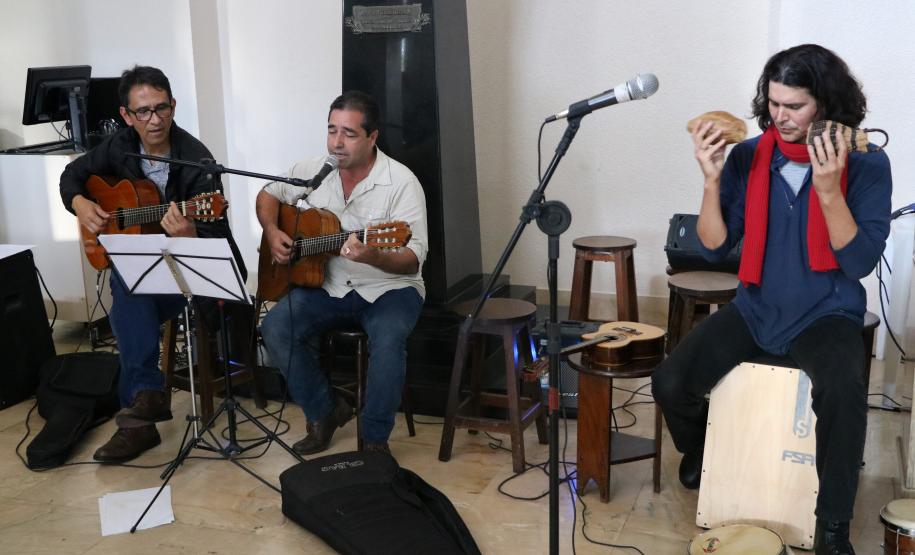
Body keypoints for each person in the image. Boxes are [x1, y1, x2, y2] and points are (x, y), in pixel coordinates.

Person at [652, 44, 891, 555]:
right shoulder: (749, 155)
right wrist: (711, 180)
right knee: (670, 381)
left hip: (826, 313)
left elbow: (859, 263)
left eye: (795, 106)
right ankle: (701, 455)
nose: (781, 117)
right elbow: (714, 245)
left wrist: (829, 191)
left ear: (824, 104)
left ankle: (831, 527)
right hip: (757, 308)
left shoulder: (868, 165)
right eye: (775, 103)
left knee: (844, 396)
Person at [59, 65, 247, 463]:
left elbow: (219, 241)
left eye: (162, 108)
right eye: (142, 111)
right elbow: (72, 175)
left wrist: (188, 234)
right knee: (130, 287)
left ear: (173, 106)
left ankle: (141, 417)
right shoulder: (119, 145)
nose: (154, 119)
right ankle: (144, 402)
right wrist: (81, 203)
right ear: (127, 116)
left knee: (129, 294)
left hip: (190, 273)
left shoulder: (198, 161)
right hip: (144, 268)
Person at [256, 91, 427, 456]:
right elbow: (268, 194)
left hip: (389, 287)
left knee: (388, 342)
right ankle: (324, 411)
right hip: (327, 284)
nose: (337, 141)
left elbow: (412, 258)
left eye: (349, 133)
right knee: (275, 327)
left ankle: (375, 440)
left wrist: (374, 257)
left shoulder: (402, 183)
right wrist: (273, 232)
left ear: (372, 137)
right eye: (332, 130)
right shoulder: (313, 172)